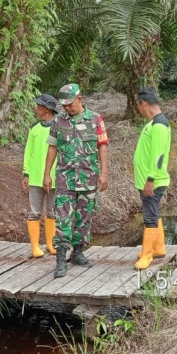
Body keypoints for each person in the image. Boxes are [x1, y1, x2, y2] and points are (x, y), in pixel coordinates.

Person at [43, 83, 109, 278]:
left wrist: (104, 173)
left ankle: (78, 253)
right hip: (65, 178)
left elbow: (102, 146)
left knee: (84, 217)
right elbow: (52, 148)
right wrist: (47, 174)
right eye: (63, 105)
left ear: (80, 99)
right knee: (63, 218)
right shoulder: (58, 121)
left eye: (69, 104)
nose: (66, 108)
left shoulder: (95, 119)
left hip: (88, 177)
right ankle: (61, 259)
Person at [133, 88, 171, 269]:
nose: (138, 109)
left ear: (143, 103)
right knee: (153, 212)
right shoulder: (153, 123)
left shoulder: (159, 125)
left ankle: (147, 255)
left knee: (149, 216)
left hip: (153, 181)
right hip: (148, 180)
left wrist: (150, 179)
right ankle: (158, 248)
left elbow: (159, 156)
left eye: (138, 105)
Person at [22, 94, 59, 258]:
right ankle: (35, 246)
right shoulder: (34, 128)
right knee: (34, 212)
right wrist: (26, 172)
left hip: (55, 178)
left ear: (46, 109)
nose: (36, 109)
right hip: (36, 177)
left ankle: (51, 243)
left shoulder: (59, 126)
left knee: (52, 211)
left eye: (38, 106)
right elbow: (28, 152)